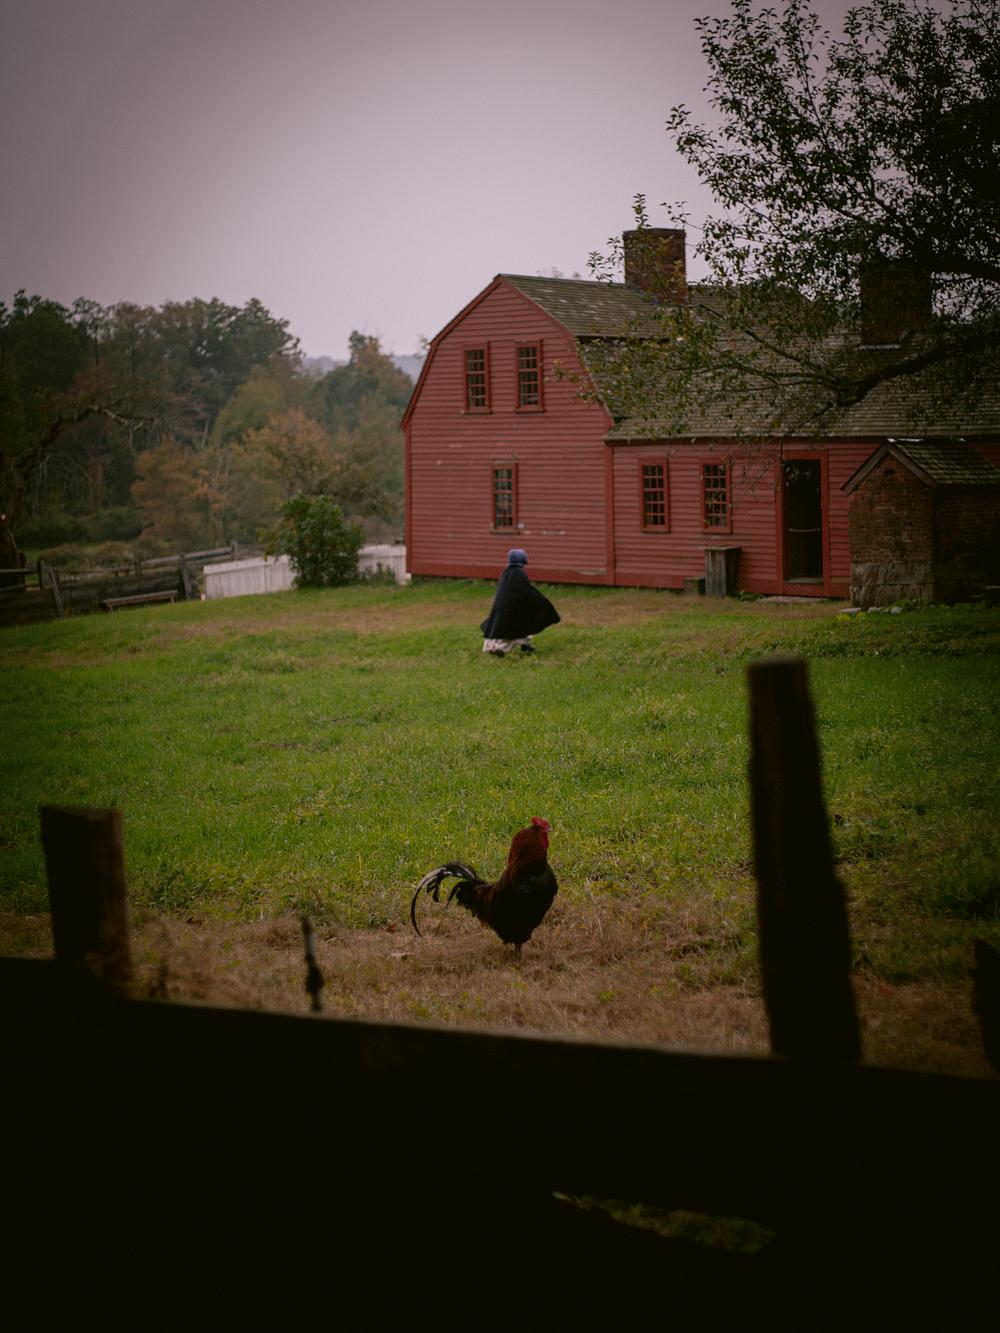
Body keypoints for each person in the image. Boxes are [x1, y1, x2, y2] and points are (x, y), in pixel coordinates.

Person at [480, 549, 560, 656]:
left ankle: (525, 644)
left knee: (515, 624)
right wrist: (541, 600)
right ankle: (502, 649)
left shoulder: (506, 572)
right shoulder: (518, 573)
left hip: (502, 609)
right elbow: (526, 590)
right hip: (512, 610)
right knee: (519, 627)